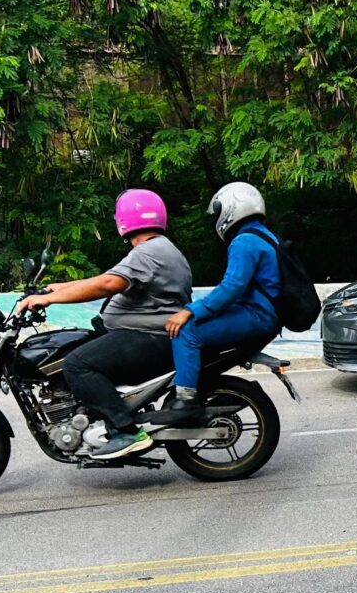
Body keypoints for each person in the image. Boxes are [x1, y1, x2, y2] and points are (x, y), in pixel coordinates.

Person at [16, 189, 193, 460]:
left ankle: (125, 430)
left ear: (123, 219)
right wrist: (55, 288)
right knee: (82, 346)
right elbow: (106, 278)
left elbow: (107, 284)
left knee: (76, 364)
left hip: (149, 338)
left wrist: (50, 301)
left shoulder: (149, 252)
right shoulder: (156, 249)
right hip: (149, 335)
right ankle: (98, 414)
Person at [149, 182, 282, 427]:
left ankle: (186, 401)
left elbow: (232, 287)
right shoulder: (264, 236)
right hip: (262, 313)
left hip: (256, 315)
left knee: (186, 330)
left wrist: (190, 311)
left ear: (232, 208)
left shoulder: (245, 241)